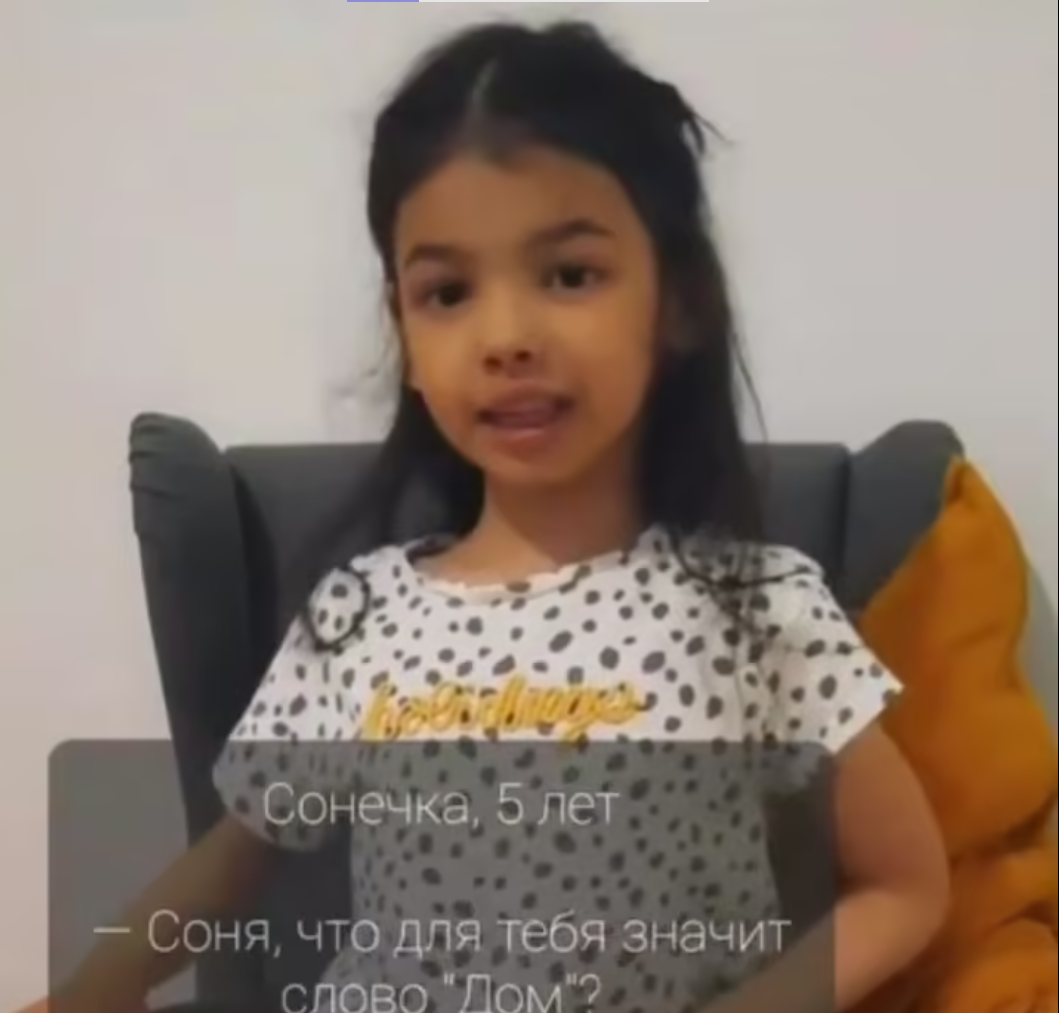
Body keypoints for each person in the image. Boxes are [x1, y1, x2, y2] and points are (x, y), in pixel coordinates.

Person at [24, 18, 950, 1013]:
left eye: (570, 274)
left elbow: (905, 885)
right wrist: (92, 986)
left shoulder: (758, 608)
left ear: (677, 299)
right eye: (448, 291)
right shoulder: (361, 616)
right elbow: (236, 852)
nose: (505, 335)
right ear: (406, 332)